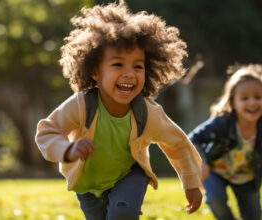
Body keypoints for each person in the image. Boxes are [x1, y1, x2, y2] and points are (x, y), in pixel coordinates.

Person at [35, 1, 202, 219]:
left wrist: (190, 182)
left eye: (138, 66)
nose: (129, 74)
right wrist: (68, 149)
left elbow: (177, 143)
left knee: (123, 212)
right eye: (117, 65)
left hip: (129, 174)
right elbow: (47, 131)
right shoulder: (82, 105)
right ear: (95, 72)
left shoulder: (147, 112)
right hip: (88, 183)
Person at [188, 64, 262, 220]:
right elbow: (192, 139)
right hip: (215, 171)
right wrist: (200, 162)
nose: (252, 102)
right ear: (233, 102)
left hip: (247, 177)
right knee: (216, 200)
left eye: (258, 97)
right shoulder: (223, 122)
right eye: (244, 98)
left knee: (253, 216)